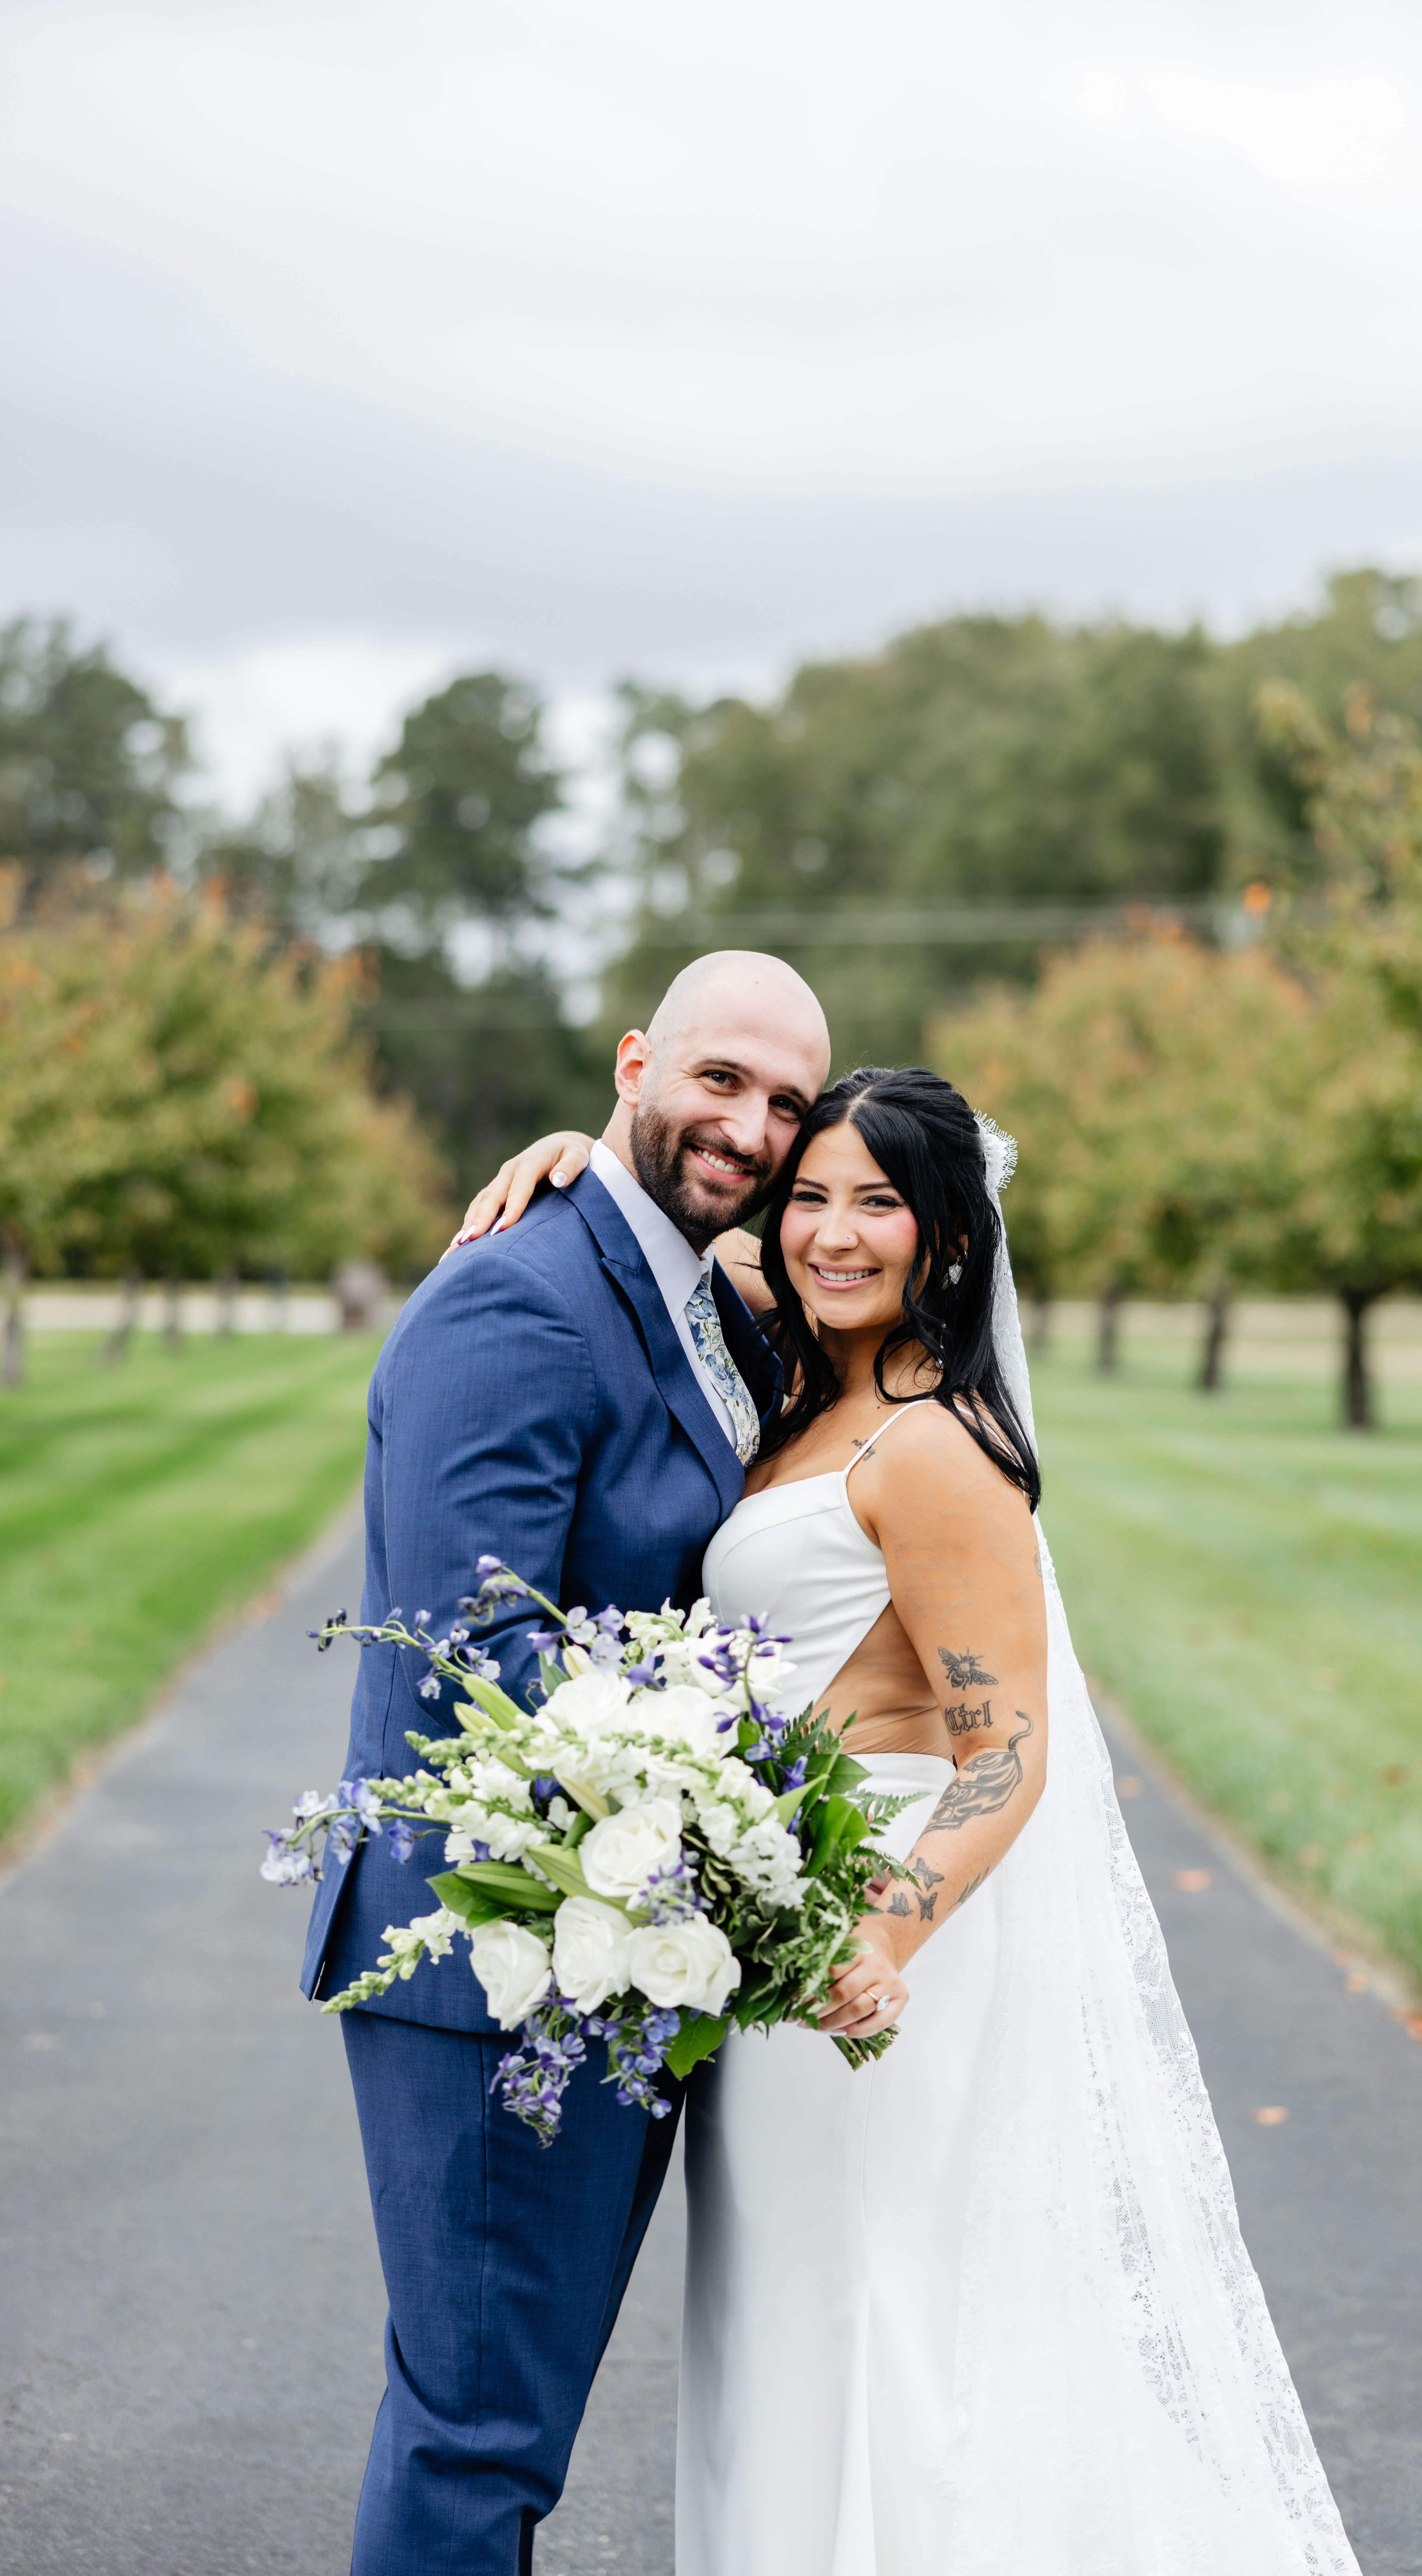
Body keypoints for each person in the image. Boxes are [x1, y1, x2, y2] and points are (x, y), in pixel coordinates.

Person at [460, 1068, 1364, 2575]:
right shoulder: (810, 1378)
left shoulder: (933, 1444)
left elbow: (1004, 1741)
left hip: (876, 1937)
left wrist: (880, 1930)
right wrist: (576, 1148)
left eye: (877, 1202)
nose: (829, 1230)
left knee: (874, 2313)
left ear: (946, 1237)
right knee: (783, 2309)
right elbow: (689, 1230)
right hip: (767, 1924)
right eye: (808, 1191)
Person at [300, 950, 830, 2576]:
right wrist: (727, 1819)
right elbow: (477, 1669)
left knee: (501, 2433)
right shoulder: (516, 1293)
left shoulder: (693, 1290)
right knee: (476, 2436)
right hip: (495, 1962)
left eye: (785, 1104)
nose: (746, 1125)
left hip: (614, 1959)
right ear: (630, 1062)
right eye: (717, 1077)